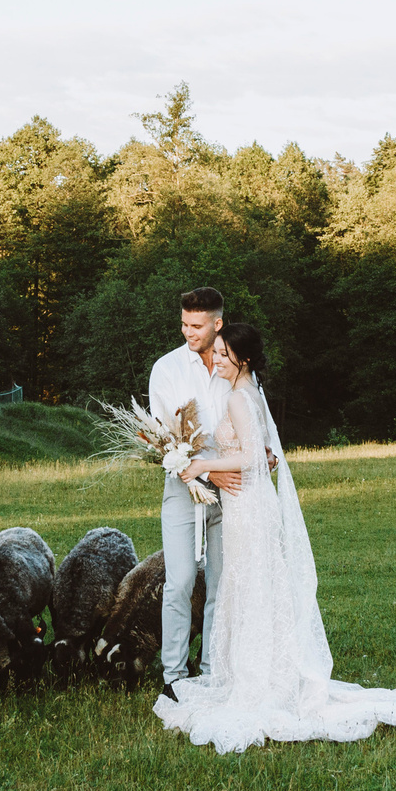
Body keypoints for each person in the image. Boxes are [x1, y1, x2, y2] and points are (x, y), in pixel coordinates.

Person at [154, 320, 396, 754]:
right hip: (250, 504)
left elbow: (249, 456)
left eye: (225, 355)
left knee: (250, 586)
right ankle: (258, 669)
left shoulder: (237, 397)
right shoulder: (252, 392)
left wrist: (200, 467)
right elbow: (261, 451)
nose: (217, 361)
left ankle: (261, 679)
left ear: (242, 360)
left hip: (248, 507)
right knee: (251, 586)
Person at [149, 286, 233, 686]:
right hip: (183, 490)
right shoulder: (166, 368)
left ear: (218, 323)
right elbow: (166, 440)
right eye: (184, 323)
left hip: (233, 492)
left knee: (221, 583)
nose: (188, 332)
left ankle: (213, 670)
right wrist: (208, 473)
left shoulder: (234, 366)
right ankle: (174, 677)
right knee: (179, 582)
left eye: (196, 325)